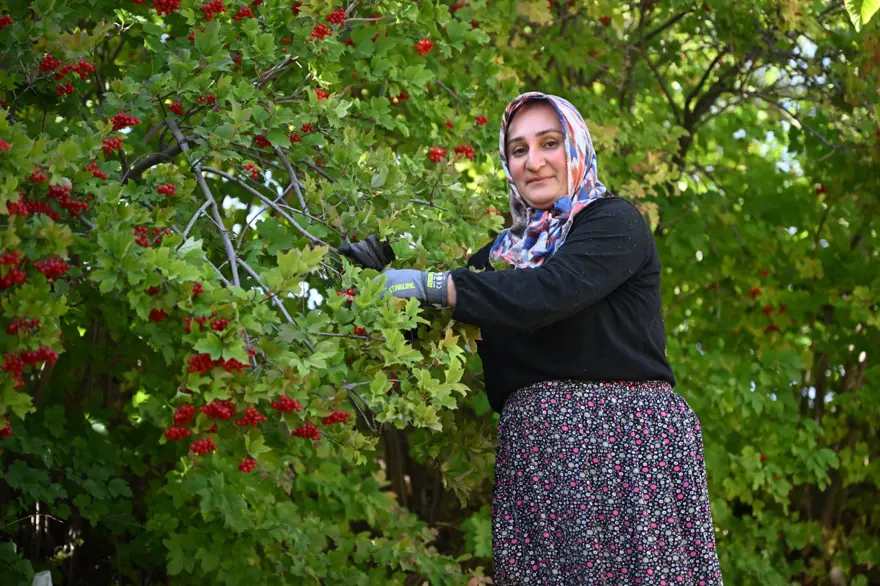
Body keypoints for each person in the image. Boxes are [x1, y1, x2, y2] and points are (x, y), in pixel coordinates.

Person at [340, 92, 724, 586]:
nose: (534, 161)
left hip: (625, 446)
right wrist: (372, 273)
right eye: (519, 150)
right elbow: (426, 320)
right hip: (540, 456)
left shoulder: (612, 222)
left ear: (577, 147)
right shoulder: (503, 255)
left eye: (550, 143)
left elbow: (545, 293)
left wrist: (432, 284)